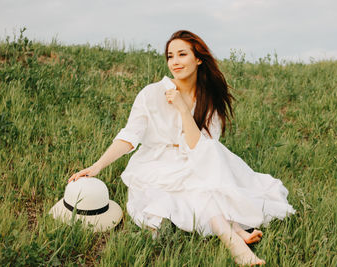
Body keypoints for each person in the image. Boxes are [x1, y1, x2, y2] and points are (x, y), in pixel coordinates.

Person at [68, 30, 295, 266]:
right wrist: (97, 166)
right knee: (196, 193)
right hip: (156, 165)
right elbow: (130, 136)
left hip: (194, 160)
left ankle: (237, 238)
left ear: (198, 59)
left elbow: (200, 148)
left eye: (182, 54)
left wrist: (182, 109)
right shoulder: (151, 93)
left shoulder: (208, 99)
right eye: (170, 56)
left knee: (206, 172)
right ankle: (236, 237)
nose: (175, 62)